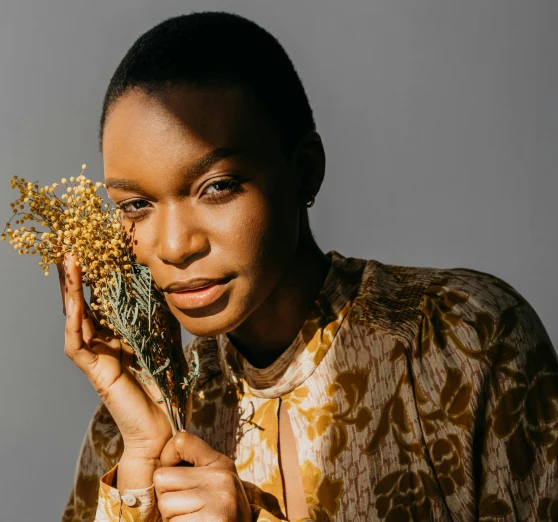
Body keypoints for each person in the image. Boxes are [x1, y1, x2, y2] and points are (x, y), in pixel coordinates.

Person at [58, 11, 558, 522]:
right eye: (135, 205)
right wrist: (140, 465)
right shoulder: (130, 430)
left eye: (217, 186)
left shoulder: (463, 341)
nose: (174, 246)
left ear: (304, 171)